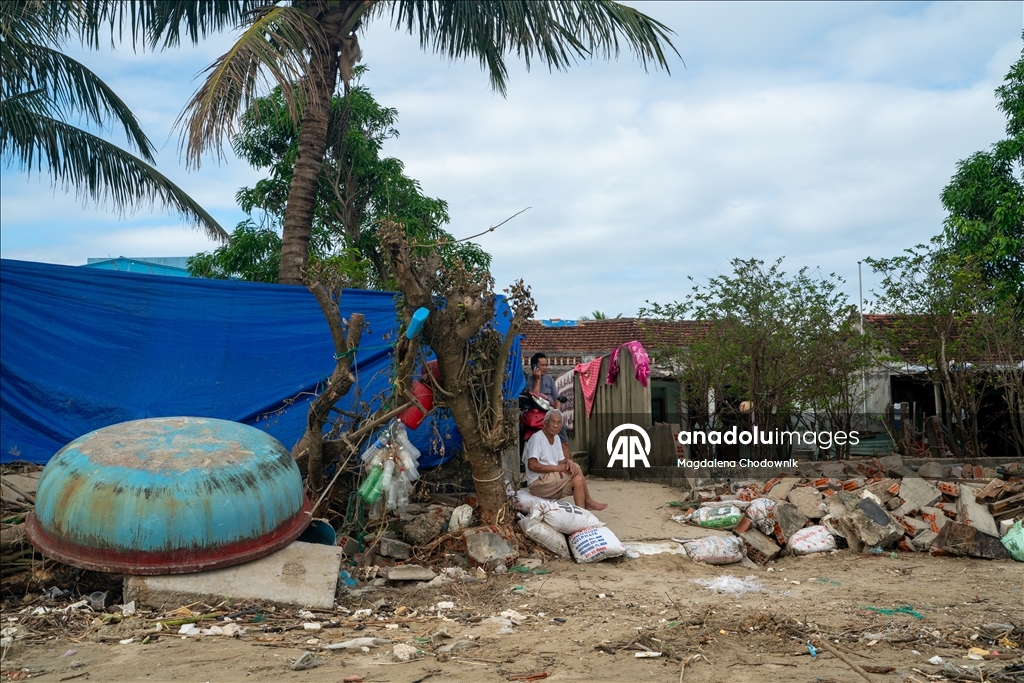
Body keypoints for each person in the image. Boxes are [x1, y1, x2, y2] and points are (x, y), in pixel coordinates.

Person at [523, 410, 606, 511]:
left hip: (551, 481)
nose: (555, 425)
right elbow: (532, 465)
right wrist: (557, 468)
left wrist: (568, 461)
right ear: (545, 423)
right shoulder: (537, 438)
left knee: (578, 480)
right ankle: (588, 501)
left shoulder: (557, 438)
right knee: (577, 468)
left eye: (559, 423)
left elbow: (560, 462)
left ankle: (582, 514)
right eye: (553, 422)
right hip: (538, 482)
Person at [524, 352, 570, 458]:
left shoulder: (549, 379)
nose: (545, 368)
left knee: (564, 439)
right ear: (534, 366)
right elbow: (534, 397)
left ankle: (568, 466)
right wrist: (538, 380)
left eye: (546, 365)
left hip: (550, 412)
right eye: (542, 365)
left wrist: (557, 412)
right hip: (536, 414)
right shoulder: (529, 380)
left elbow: (557, 399)